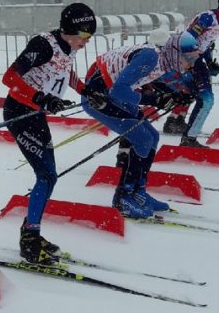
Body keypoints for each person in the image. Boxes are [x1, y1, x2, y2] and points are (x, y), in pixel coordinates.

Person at [2, 2, 96, 264]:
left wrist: (85, 90)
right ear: (71, 30)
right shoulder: (42, 45)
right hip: (20, 114)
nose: (87, 42)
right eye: (85, 36)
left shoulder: (67, 46)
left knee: (49, 176)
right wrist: (40, 98)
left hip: (35, 115)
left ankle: (32, 232)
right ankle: (29, 239)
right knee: (46, 174)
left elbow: (64, 71)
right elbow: (9, 77)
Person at [81, 28, 192, 218]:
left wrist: (175, 95)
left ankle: (138, 192)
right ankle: (123, 196)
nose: (191, 64)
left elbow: (151, 82)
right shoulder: (150, 56)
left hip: (111, 95)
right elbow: (119, 90)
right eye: (189, 58)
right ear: (174, 52)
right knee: (141, 138)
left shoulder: (162, 60)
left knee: (152, 137)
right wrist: (155, 99)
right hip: (99, 98)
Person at [163, 0, 219, 146]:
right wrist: (191, 63)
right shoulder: (207, 18)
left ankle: (176, 121)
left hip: (196, 59)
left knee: (194, 94)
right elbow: (187, 39)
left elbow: (204, 43)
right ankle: (188, 138)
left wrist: (209, 62)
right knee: (206, 99)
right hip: (186, 60)